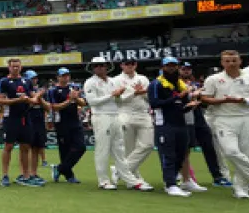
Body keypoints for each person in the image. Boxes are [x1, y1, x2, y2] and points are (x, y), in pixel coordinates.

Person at [201, 50, 249, 199]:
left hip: (247, 118)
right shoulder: (213, 79)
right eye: (227, 61)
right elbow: (205, 98)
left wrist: (243, 100)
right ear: (222, 63)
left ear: (240, 62)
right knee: (231, 152)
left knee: (248, 154)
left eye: (234, 61)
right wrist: (223, 101)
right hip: (224, 118)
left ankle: (241, 189)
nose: (231, 64)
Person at [148, 57, 197, 197]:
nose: (171, 68)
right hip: (164, 124)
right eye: (168, 66)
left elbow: (180, 106)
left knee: (181, 154)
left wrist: (189, 107)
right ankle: (170, 184)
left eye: (174, 66)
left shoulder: (179, 84)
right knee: (168, 154)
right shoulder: (156, 84)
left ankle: (174, 181)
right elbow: (155, 103)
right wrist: (176, 98)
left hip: (180, 123)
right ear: (162, 67)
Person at [181, 62, 230, 188]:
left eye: (188, 69)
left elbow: (204, 101)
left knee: (209, 146)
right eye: (184, 69)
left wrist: (199, 96)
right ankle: (183, 176)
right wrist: (190, 94)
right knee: (185, 149)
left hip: (198, 117)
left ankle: (217, 176)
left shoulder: (196, 84)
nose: (187, 71)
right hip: (183, 118)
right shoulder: (175, 83)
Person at [110, 59, 155, 191]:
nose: (130, 66)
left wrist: (144, 93)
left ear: (135, 65)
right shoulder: (116, 80)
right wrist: (134, 93)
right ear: (122, 65)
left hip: (143, 114)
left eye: (132, 64)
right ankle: (134, 180)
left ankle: (119, 171)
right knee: (129, 150)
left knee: (148, 145)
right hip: (125, 114)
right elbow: (116, 101)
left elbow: (149, 98)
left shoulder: (143, 78)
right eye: (127, 64)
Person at [0, 58, 37, 186]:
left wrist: (32, 99)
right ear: (9, 67)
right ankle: (5, 175)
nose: (15, 68)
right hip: (11, 118)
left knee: (25, 147)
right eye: (13, 66)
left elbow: (33, 98)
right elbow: (0, 100)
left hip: (25, 117)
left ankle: (25, 175)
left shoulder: (27, 81)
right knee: (8, 146)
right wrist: (17, 100)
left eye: (17, 66)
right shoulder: (4, 82)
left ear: (21, 67)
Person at [83, 57, 121, 190]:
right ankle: (103, 180)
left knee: (119, 148)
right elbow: (92, 102)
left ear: (106, 66)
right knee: (102, 149)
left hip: (115, 115)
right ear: (93, 68)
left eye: (101, 65)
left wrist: (119, 95)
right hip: (100, 116)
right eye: (96, 66)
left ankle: (125, 177)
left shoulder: (112, 81)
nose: (99, 68)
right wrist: (112, 95)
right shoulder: (90, 82)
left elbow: (119, 98)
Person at [46, 68, 86, 183]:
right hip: (62, 122)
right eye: (63, 75)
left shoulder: (73, 88)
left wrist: (76, 98)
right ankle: (69, 176)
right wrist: (69, 100)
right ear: (58, 77)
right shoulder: (53, 90)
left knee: (81, 147)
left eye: (67, 75)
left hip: (75, 121)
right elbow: (54, 107)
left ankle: (60, 168)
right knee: (65, 150)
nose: (66, 77)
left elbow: (83, 103)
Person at [23, 70, 48, 184]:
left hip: (40, 121)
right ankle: (25, 173)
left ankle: (34, 173)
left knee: (37, 148)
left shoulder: (40, 92)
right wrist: (37, 96)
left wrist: (38, 97)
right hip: (28, 120)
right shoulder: (24, 91)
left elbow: (47, 107)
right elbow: (28, 104)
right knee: (26, 147)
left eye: (35, 78)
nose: (35, 80)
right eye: (32, 78)